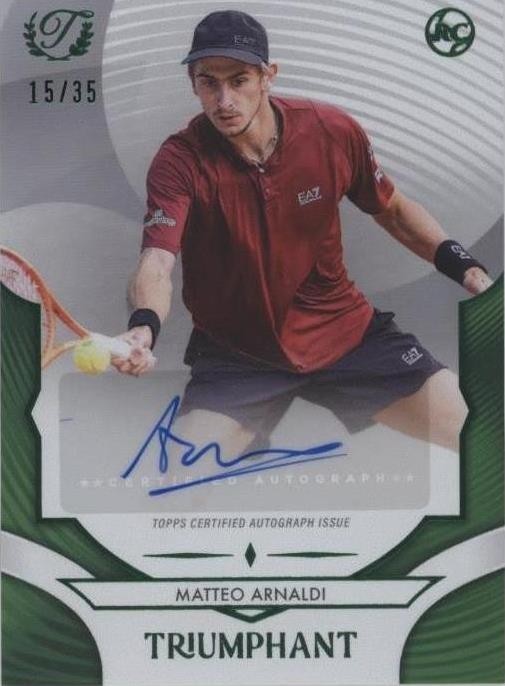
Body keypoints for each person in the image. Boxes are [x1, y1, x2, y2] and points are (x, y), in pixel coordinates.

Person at [114, 10, 492, 455]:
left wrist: (466, 268)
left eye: (239, 80)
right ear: (192, 83)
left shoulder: (331, 131)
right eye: (208, 82)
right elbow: (157, 260)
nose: (224, 100)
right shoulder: (179, 161)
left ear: (268, 76)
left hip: (345, 334)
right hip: (239, 354)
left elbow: (392, 209)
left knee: (485, 441)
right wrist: (143, 327)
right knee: (180, 476)